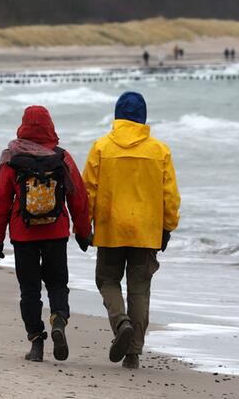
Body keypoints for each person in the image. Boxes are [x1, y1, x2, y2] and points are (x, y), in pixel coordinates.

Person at [82, 92, 180, 370]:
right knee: (139, 290)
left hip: (110, 228)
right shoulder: (159, 151)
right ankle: (133, 352)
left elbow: (88, 190)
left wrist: (84, 226)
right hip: (146, 231)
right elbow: (170, 195)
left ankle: (120, 321)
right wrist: (168, 226)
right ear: (143, 117)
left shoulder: (101, 147)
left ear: (117, 116)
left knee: (107, 280)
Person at [0, 105, 91, 363]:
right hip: (56, 232)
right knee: (57, 283)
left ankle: (36, 342)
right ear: (50, 126)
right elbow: (78, 196)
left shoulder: (12, 157)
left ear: (22, 126)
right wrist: (83, 231)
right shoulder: (62, 157)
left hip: (23, 236)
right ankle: (58, 318)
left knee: (29, 290)